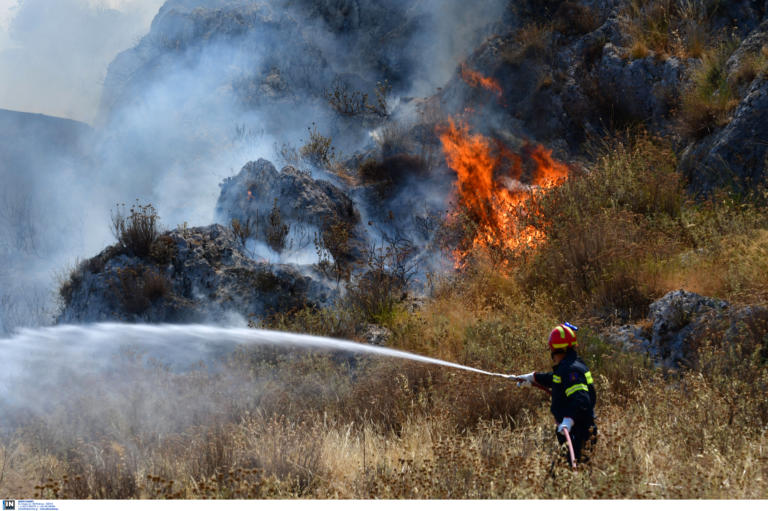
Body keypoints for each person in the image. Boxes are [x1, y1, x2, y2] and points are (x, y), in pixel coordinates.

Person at [512, 323, 597, 464]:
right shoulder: (570, 365)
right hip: (574, 430)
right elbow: (556, 380)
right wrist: (533, 377)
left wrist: (569, 420)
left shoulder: (571, 370)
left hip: (579, 431)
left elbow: (582, 399)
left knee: (565, 474)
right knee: (566, 474)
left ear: (558, 350)